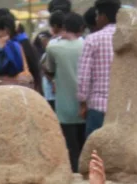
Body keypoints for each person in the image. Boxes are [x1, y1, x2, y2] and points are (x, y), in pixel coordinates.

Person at [45, 12, 86, 170]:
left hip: (64, 106)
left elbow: (49, 69)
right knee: (85, 144)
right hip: (86, 105)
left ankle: (75, 172)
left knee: (71, 147)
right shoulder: (85, 44)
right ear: (81, 28)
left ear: (64, 27)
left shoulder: (53, 47)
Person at [78, 0, 119, 139]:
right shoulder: (128, 39)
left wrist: (83, 103)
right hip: (123, 108)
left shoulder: (92, 40)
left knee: (95, 149)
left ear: (104, 16)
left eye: (97, 15)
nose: (96, 19)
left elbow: (83, 76)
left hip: (98, 107)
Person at [0, 12, 42, 89]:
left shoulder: (10, 46)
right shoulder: (24, 42)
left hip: (12, 88)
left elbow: (0, 68)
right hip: (27, 87)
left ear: (5, 30)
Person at [40, 11, 65, 109]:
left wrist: (53, 81)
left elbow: (46, 67)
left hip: (52, 90)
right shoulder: (74, 40)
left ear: (54, 26)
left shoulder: (53, 43)